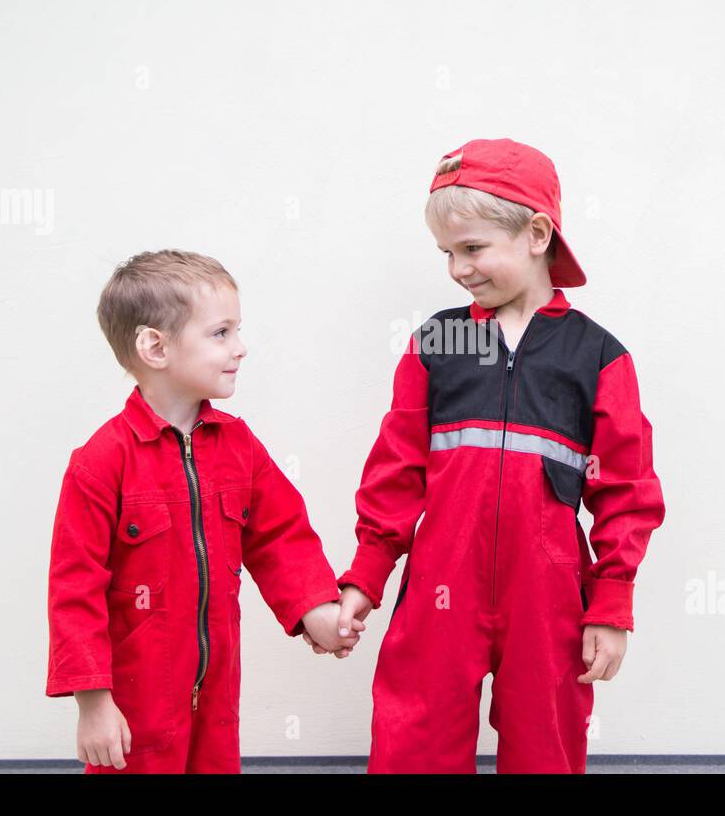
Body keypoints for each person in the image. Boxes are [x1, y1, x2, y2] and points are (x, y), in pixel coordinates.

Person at [334, 139, 666, 773]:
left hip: (548, 592)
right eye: (448, 254)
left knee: (548, 744)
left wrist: (612, 603)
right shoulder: (436, 342)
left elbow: (627, 491)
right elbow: (395, 471)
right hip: (441, 579)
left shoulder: (598, 357)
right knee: (414, 738)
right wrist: (366, 576)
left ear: (536, 233)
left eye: (473, 248)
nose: (459, 269)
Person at [45, 249, 362, 773]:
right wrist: (93, 702)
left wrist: (317, 610)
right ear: (155, 346)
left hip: (217, 687)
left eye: (237, 331)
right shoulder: (101, 462)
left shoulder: (239, 447)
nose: (241, 348)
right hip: (135, 694)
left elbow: (281, 536)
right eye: (221, 333)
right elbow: (73, 589)